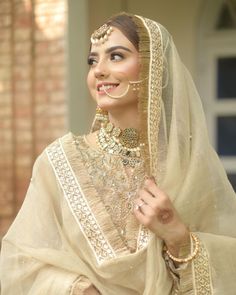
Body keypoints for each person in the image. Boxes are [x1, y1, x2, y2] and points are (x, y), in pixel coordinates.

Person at [1, 12, 236, 295]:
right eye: (93, 60)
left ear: (153, 66)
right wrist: (80, 289)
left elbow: (228, 263)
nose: (98, 70)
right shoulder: (59, 161)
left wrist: (178, 236)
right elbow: (23, 261)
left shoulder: (186, 164)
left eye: (116, 56)